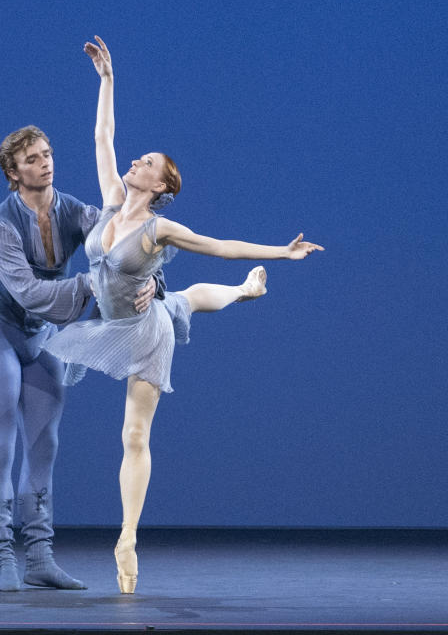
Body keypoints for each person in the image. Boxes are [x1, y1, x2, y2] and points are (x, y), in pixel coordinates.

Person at [41, 37, 324, 594]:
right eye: (138, 157)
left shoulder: (159, 228)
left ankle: (126, 537)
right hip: (114, 325)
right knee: (186, 297)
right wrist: (107, 80)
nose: (134, 161)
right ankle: (244, 294)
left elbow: (219, 244)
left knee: (134, 433)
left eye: (146, 162)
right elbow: (102, 135)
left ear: (162, 184)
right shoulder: (108, 201)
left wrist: (281, 253)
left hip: (144, 336)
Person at [0, 125, 160, 591]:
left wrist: (152, 282)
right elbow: (30, 294)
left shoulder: (75, 210)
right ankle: (3, 560)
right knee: (2, 447)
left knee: (44, 447)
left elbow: (127, 242)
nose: (46, 162)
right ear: (13, 174)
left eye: (48, 153)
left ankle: (39, 558)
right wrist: (92, 285)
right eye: (33, 158)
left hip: (42, 340)